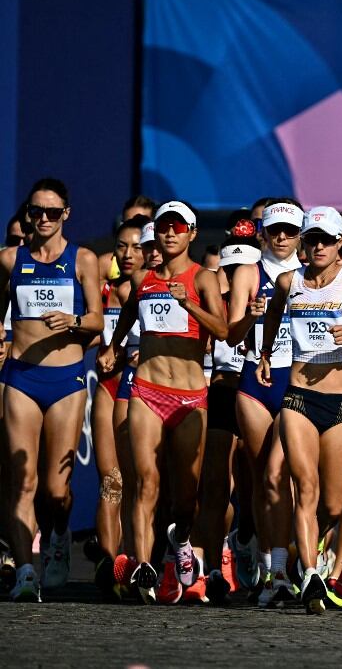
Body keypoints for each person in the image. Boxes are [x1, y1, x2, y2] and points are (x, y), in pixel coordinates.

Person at [257, 206, 342, 614]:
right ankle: (311, 576)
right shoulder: (289, 280)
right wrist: (266, 353)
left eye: (326, 239)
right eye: (311, 238)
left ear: (340, 244)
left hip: (341, 404)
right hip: (299, 396)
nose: (317, 246)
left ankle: (315, 550)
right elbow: (272, 313)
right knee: (306, 488)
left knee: (333, 505)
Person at [99, 200, 228, 604]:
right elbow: (125, 319)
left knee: (186, 496)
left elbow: (223, 330)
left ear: (191, 233)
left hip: (190, 396)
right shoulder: (142, 279)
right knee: (145, 481)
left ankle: (182, 541)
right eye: (164, 227)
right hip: (147, 391)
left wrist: (187, 302)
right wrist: (115, 348)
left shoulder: (203, 278)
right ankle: (143, 565)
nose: (170, 233)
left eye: (178, 227)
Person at [1, 178, 103, 602]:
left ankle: (58, 533)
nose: (42, 219)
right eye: (35, 211)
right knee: (21, 481)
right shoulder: (10, 259)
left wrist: (74, 322)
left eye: (51, 212)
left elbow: (98, 320)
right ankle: (26, 569)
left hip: (65, 380)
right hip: (21, 377)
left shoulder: (83, 259)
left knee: (55, 491)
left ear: (66, 214)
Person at [224, 200, 303, 606]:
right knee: (261, 478)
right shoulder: (247, 273)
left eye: (291, 230)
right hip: (255, 381)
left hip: (298, 382)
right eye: (276, 231)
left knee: (283, 477)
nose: (283, 237)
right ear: (263, 234)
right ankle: (267, 558)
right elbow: (231, 336)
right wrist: (251, 317)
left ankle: (288, 560)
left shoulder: (311, 274)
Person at [194, 233, 259, 604]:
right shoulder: (214, 304)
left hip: (256, 392)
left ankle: (248, 541)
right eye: (228, 270)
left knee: (254, 484)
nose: (234, 276)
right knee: (215, 485)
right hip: (220, 392)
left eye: (240, 269)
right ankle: (215, 568)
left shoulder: (267, 300)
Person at [91, 215, 146, 599]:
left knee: (136, 484)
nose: (127, 254)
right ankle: (111, 568)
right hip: (108, 387)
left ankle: (137, 560)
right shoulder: (101, 286)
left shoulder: (157, 289)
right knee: (110, 483)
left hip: (142, 389)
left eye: (137, 246)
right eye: (122, 246)